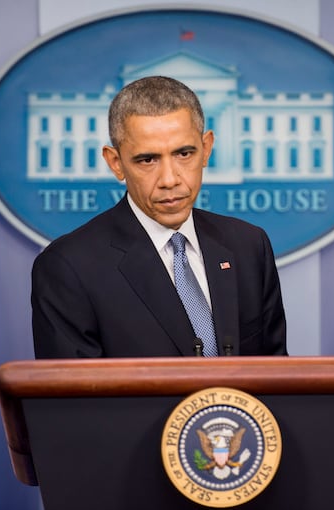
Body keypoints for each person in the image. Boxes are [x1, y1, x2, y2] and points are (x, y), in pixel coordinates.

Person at [31, 76, 287, 358]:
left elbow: (273, 377)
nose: (169, 179)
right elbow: (73, 398)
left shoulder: (248, 246)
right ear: (116, 163)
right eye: (147, 160)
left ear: (206, 148)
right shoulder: (69, 268)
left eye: (184, 154)